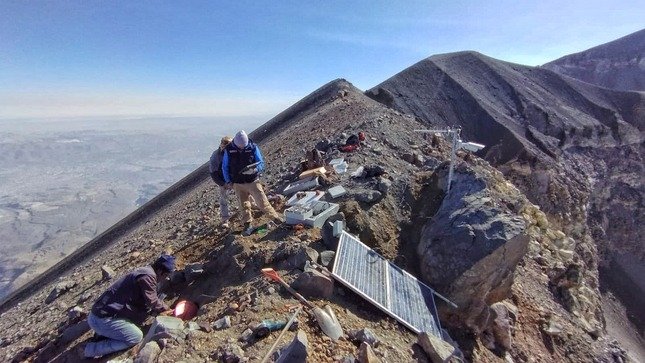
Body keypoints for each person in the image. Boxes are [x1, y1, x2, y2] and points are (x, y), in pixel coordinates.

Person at [83, 254, 176, 358]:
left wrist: (155, 312)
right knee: (135, 337)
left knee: (135, 324)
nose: (166, 278)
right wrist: (167, 309)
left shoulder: (145, 271)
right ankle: (90, 350)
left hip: (100, 316)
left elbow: (141, 303)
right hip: (101, 319)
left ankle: (104, 335)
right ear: (160, 271)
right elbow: (152, 300)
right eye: (166, 275)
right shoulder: (148, 276)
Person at [222, 130, 283, 235]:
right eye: (239, 147)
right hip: (238, 183)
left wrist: (256, 169)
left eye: (243, 147)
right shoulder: (229, 150)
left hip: (253, 181)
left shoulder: (252, 147)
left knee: (262, 201)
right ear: (235, 143)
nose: (241, 148)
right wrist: (228, 181)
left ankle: (275, 218)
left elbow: (261, 163)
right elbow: (225, 167)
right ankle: (247, 224)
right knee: (243, 205)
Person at [209, 136, 233, 228]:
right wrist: (223, 183)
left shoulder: (234, 152)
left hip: (235, 178)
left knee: (245, 193)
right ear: (222, 145)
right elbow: (213, 173)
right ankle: (225, 219)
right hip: (223, 181)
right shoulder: (215, 156)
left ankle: (250, 208)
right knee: (224, 200)